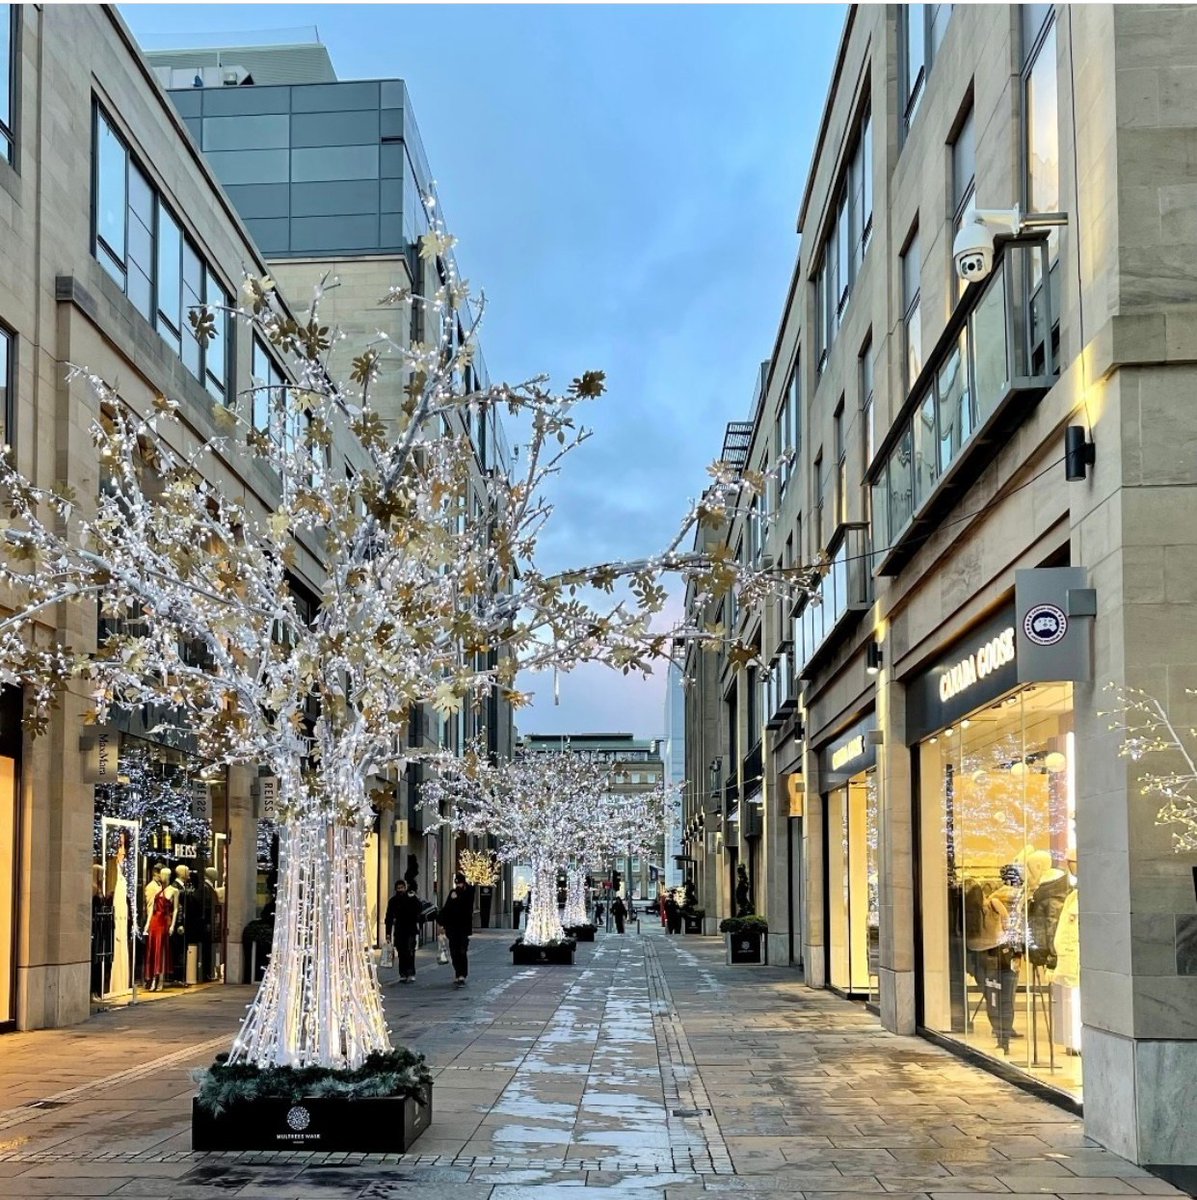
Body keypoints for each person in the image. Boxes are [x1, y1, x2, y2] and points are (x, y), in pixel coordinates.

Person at [437, 872, 474, 987]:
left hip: (463, 927)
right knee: (454, 952)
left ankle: (462, 974)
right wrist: (441, 923)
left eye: (460, 883)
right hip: (452, 927)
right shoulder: (453, 893)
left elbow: (467, 906)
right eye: (457, 884)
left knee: (462, 951)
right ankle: (458, 973)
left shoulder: (469, 891)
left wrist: (457, 898)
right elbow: (447, 909)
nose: (458, 886)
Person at [385, 879, 423, 983]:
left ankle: (410, 973)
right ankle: (403, 973)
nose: (400, 890)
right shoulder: (393, 901)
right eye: (398, 888)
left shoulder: (411, 898)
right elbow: (389, 917)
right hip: (399, 930)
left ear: (405, 888)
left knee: (410, 951)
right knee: (401, 952)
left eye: (402, 888)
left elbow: (419, 909)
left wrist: (414, 897)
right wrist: (388, 933)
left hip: (410, 929)